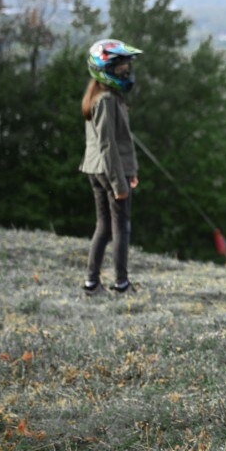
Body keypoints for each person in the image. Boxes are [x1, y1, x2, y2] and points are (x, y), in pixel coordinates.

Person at [79, 38, 143, 296]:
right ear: (104, 70)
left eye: (126, 66)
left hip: (99, 169)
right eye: (120, 68)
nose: (126, 72)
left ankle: (91, 284)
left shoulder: (107, 97)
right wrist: (119, 183)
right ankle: (121, 284)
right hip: (108, 172)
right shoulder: (105, 100)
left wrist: (131, 171)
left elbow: (119, 141)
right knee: (120, 228)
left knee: (104, 226)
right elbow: (108, 145)